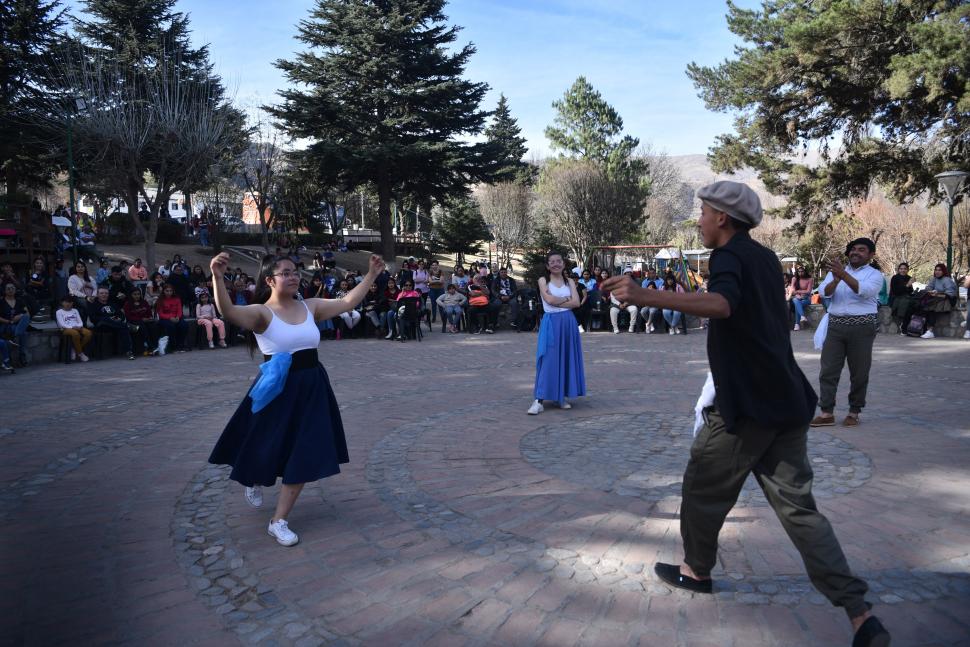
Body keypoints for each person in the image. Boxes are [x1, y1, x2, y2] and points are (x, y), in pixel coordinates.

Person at [600, 181, 889, 647]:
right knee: (800, 512)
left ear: (722, 218)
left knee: (701, 485)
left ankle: (696, 571)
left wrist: (644, 295)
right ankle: (860, 614)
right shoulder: (765, 257)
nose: (698, 220)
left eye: (702, 212)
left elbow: (722, 304)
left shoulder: (728, 258)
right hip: (787, 402)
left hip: (748, 408)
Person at [208, 252, 385, 547]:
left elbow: (346, 303)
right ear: (270, 280)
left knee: (305, 450)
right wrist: (217, 277)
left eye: (295, 272)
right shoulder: (261, 313)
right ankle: (252, 478)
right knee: (264, 444)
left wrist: (371, 275)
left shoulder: (310, 306)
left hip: (312, 387)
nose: (293, 277)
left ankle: (278, 521)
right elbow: (228, 312)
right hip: (277, 388)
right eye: (286, 272)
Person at [811, 238, 884, 427]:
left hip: (862, 327)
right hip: (835, 326)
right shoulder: (835, 273)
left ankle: (854, 412)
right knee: (828, 371)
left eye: (861, 250)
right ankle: (826, 413)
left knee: (859, 372)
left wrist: (842, 275)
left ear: (871, 255)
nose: (855, 252)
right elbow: (824, 293)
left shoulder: (874, 275)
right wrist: (835, 280)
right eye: (852, 249)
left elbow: (864, 291)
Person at [528, 252, 585, 415]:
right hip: (551, 323)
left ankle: (560, 397)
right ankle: (538, 400)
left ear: (563, 264)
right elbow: (549, 300)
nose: (555, 264)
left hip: (568, 322)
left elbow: (577, 302)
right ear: (547, 266)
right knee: (548, 358)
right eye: (552, 262)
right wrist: (566, 299)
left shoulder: (570, 282)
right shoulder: (543, 280)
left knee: (565, 358)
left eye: (558, 261)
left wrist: (562, 300)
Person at [88, 287, 136, 360]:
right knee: (107, 320)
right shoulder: (93, 305)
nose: (104, 295)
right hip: (101, 325)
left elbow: (121, 315)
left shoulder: (112, 304)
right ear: (97, 295)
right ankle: (128, 326)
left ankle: (129, 351)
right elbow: (93, 318)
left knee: (123, 328)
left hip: (116, 325)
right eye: (101, 293)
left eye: (106, 293)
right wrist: (109, 318)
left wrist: (117, 319)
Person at [915, 263, 958, 339]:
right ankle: (921, 328)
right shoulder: (934, 279)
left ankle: (930, 331)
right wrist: (931, 292)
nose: (937, 272)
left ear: (943, 271)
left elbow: (950, 294)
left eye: (939, 270)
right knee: (922, 304)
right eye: (936, 270)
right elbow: (928, 288)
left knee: (931, 307)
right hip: (935, 298)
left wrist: (938, 294)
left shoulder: (947, 280)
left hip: (947, 299)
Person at [0, 282, 31, 366]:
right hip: (6, 325)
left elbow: (27, 313)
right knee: (23, 333)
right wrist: (10, 321)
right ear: (5, 291)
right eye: (8, 288)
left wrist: (20, 316)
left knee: (26, 317)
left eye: (12, 288)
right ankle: (22, 356)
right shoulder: (1, 302)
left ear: (15, 290)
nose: (10, 290)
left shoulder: (20, 301)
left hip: (18, 324)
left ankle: (15, 337)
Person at [155, 283, 189, 353]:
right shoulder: (160, 300)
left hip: (176, 317)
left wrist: (177, 317)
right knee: (171, 326)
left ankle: (181, 345)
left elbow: (179, 310)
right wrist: (170, 318)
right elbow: (160, 313)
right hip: (165, 319)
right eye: (167, 291)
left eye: (170, 291)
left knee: (184, 325)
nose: (169, 292)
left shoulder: (177, 299)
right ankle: (173, 346)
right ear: (163, 291)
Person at [123, 287, 158, 355]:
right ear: (131, 295)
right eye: (134, 294)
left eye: (138, 294)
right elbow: (128, 317)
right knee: (142, 326)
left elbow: (149, 313)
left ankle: (155, 346)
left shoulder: (144, 302)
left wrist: (150, 318)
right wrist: (141, 319)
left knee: (153, 326)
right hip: (134, 322)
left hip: (146, 320)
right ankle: (150, 347)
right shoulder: (128, 304)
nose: (137, 296)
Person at [56, 295, 91, 362]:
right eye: (66, 302)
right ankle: (80, 353)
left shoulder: (75, 310)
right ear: (62, 303)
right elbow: (61, 324)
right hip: (65, 329)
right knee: (75, 334)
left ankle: (75, 349)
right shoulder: (59, 312)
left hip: (77, 327)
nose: (68, 304)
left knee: (88, 333)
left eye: (70, 302)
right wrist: (73, 327)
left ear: (72, 303)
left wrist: (79, 326)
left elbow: (80, 321)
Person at [888, 262, 915, 334]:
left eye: (905, 269)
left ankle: (910, 327)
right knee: (906, 304)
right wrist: (907, 285)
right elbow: (896, 291)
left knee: (914, 304)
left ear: (908, 270)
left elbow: (910, 291)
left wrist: (909, 286)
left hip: (906, 297)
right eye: (901, 269)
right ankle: (903, 327)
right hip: (895, 298)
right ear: (898, 270)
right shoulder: (895, 278)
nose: (903, 270)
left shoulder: (909, 278)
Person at [789, 265, 814, 330]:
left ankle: (797, 324)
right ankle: (802, 317)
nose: (800, 273)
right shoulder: (794, 279)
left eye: (802, 271)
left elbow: (808, 291)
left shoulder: (810, 279)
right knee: (796, 300)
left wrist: (798, 292)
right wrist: (798, 295)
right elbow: (793, 290)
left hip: (807, 298)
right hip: (798, 298)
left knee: (796, 303)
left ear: (805, 272)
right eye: (799, 272)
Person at [639, 268, 663, 332]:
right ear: (648, 274)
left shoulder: (661, 281)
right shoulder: (644, 282)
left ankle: (648, 324)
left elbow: (661, 293)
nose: (651, 274)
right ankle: (650, 324)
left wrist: (653, 290)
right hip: (647, 303)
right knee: (642, 312)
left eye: (653, 273)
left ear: (655, 273)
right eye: (650, 273)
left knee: (652, 311)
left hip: (657, 303)